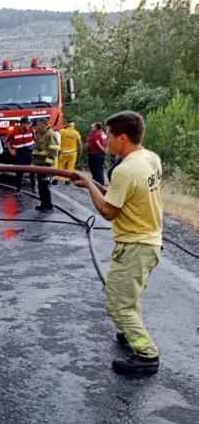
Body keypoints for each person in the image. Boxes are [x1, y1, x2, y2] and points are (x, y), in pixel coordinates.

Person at [73, 111, 162, 375]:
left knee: (117, 303)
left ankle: (147, 354)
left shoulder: (125, 170)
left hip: (136, 245)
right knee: (129, 296)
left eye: (110, 136)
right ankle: (128, 332)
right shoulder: (150, 158)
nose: (106, 141)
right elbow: (121, 197)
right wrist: (95, 185)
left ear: (122, 138)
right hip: (149, 240)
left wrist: (89, 185)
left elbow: (108, 212)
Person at [32, 118, 60, 212]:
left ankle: (49, 206)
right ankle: (43, 204)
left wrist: (47, 165)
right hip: (39, 164)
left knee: (45, 185)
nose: (37, 127)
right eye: (37, 125)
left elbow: (53, 150)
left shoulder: (51, 135)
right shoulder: (40, 134)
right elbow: (37, 150)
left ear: (45, 125)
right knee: (40, 186)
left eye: (39, 125)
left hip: (45, 165)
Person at [4, 116, 36, 193]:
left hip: (30, 154)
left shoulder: (31, 130)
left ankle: (33, 188)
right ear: (22, 124)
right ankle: (18, 189)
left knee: (32, 171)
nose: (29, 126)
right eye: (27, 124)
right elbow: (6, 141)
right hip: (20, 155)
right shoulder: (14, 131)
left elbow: (36, 140)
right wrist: (10, 149)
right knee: (19, 173)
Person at [57, 120, 82, 184]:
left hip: (64, 152)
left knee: (60, 165)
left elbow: (57, 129)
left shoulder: (62, 131)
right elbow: (79, 143)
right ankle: (67, 180)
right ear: (74, 125)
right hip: (73, 152)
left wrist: (64, 126)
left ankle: (56, 178)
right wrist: (80, 151)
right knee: (70, 166)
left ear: (67, 124)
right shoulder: (76, 133)